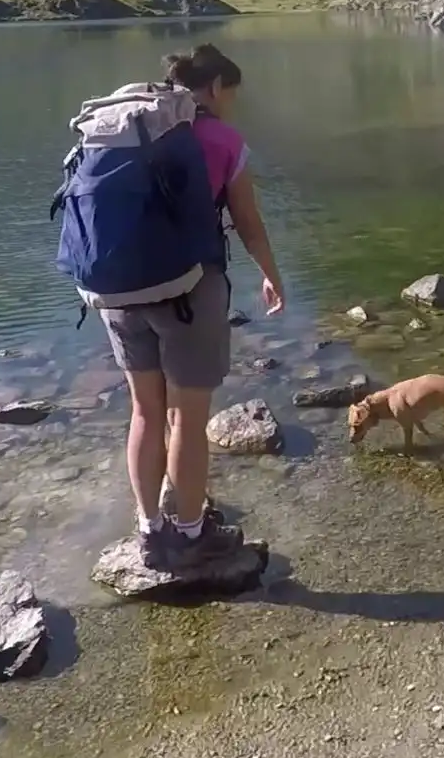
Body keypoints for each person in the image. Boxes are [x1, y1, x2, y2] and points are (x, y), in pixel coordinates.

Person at [100, 43, 286, 567]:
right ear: (216, 88)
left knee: (144, 410)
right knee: (187, 417)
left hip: (118, 288)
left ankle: (149, 529)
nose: (232, 105)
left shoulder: (124, 128)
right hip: (188, 288)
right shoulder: (221, 139)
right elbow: (247, 221)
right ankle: (189, 531)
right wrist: (271, 275)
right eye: (232, 95)